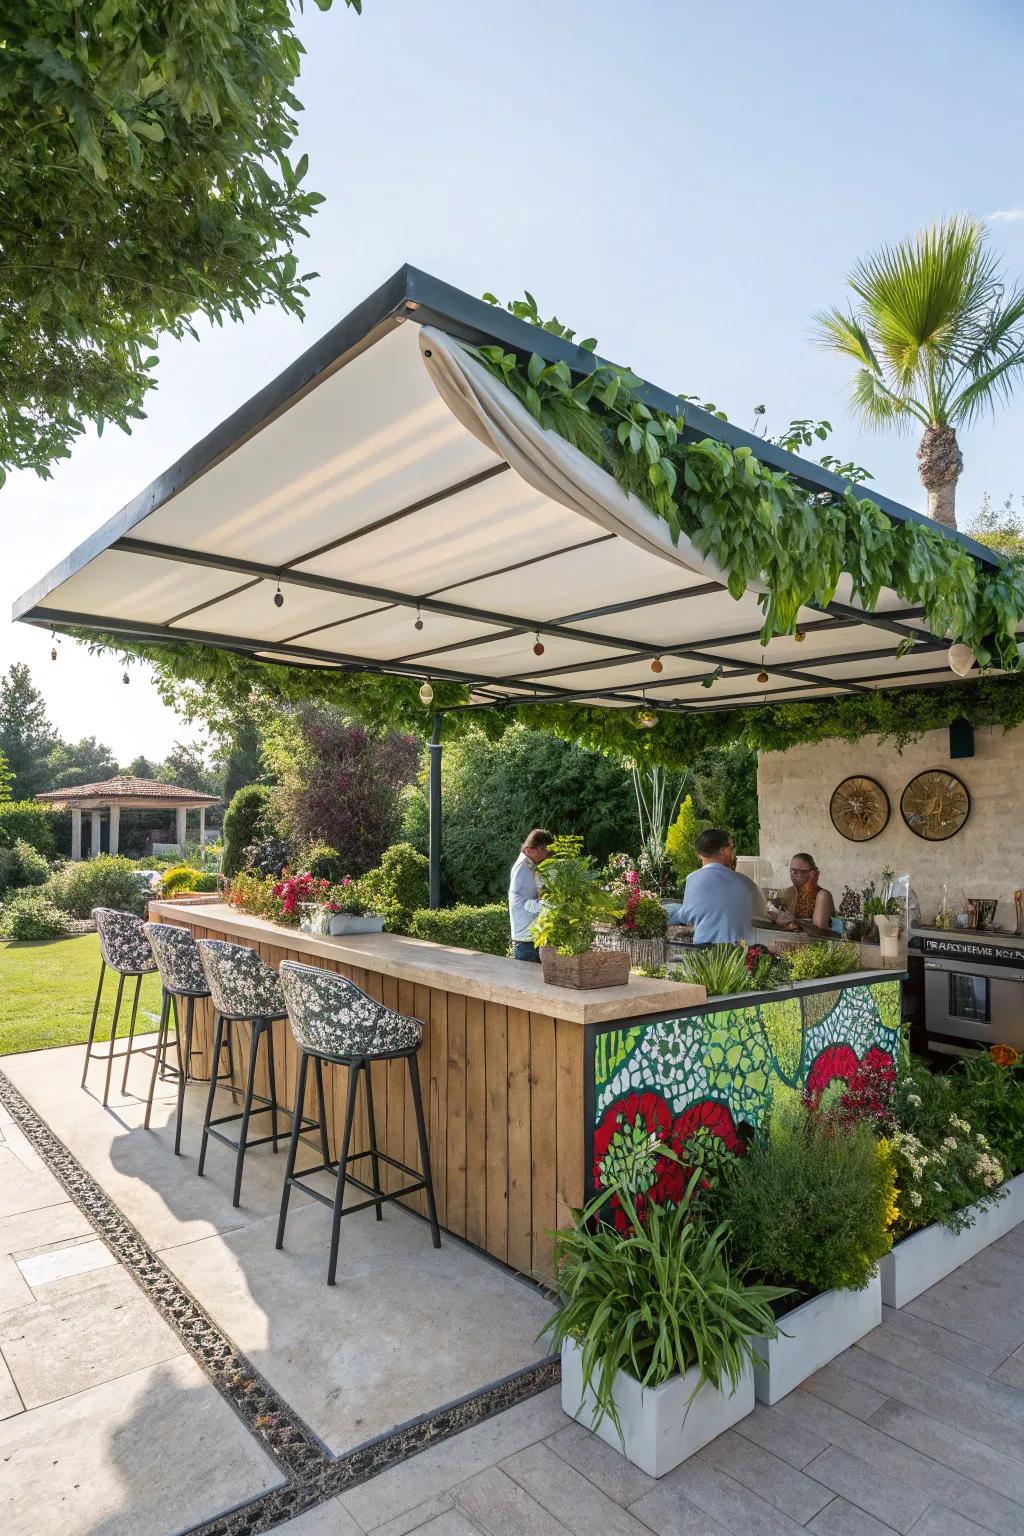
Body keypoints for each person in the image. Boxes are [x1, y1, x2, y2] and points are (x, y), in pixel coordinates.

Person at [679, 828, 767, 945]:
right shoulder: (745, 882)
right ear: (723, 851)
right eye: (731, 848)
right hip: (740, 955)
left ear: (699, 855)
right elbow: (763, 917)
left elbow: (687, 916)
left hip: (702, 954)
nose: (733, 853)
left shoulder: (692, 879)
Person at [508, 828, 555, 962]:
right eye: (548, 851)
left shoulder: (529, 865)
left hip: (529, 938)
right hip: (527, 941)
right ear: (539, 848)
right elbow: (525, 903)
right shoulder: (523, 868)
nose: (549, 855)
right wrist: (552, 906)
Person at [772, 852, 835, 932]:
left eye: (798, 871)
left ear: (811, 873)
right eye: (791, 870)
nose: (793, 874)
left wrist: (794, 921)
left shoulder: (822, 895)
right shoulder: (789, 892)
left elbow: (819, 933)